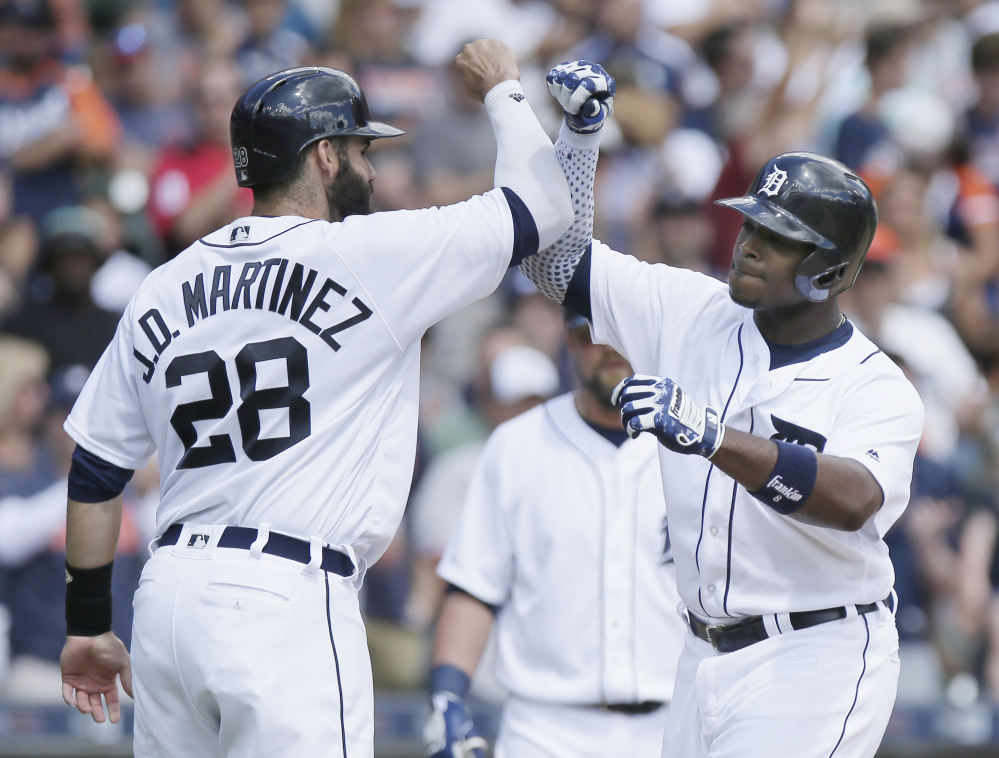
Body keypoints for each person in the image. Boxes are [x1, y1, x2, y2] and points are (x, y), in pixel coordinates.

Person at [57, 41, 573, 758]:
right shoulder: (368, 254)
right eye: (361, 151)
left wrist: (86, 624)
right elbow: (548, 207)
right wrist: (503, 92)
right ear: (324, 157)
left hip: (166, 600)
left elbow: (96, 470)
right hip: (282, 599)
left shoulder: (163, 284)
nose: (371, 166)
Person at [523, 61, 924, 758]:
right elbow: (554, 264)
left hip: (815, 652)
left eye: (777, 237)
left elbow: (854, 498)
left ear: (829, 269)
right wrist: (580, 138)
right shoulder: (691, 309)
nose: (749, 244)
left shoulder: (873, 384)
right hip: (701, 654)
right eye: (751, 226)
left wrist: (715, 438)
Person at [423, 311, 685, 758]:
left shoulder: (697, 445)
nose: (610, 348)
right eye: (593, 333)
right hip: (544, 731)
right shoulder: (515, 444)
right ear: (569, 339)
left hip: (675, 725)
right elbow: (473, 587)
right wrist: (447, 695)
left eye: (624, 331)